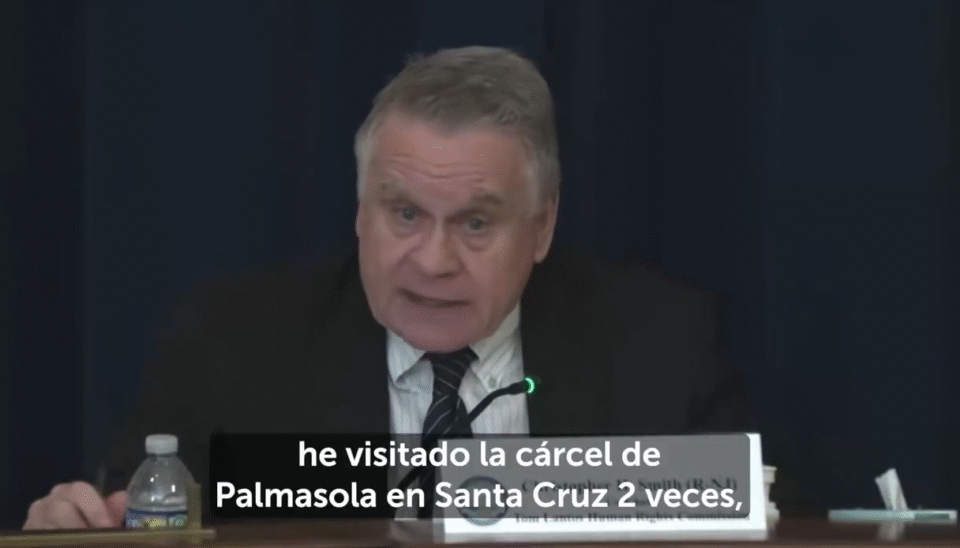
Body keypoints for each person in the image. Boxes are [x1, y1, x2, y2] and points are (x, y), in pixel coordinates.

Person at [23, 45, 785, 529]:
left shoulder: (658, 343)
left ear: (542, 224)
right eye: (406, 214)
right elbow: (137, 511)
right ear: (361, 212)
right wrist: (78, 526)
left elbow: (752, 514)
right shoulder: (233, 341)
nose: (433, 260)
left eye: (476, 223)